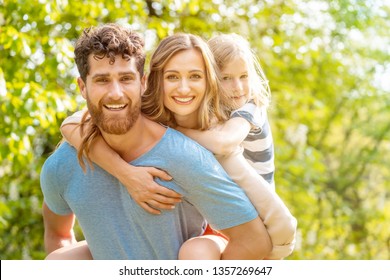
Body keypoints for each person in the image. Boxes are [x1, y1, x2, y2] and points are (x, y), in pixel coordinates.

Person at [40, 23, 272, 260]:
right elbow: (58, 233)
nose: (116, 93)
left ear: (143, 83)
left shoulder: (185, 157)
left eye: (126, 78)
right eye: (102, 80)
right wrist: (125, 173)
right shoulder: (62, 166)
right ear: (82, 87)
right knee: (57, 262)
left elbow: (255, 241)